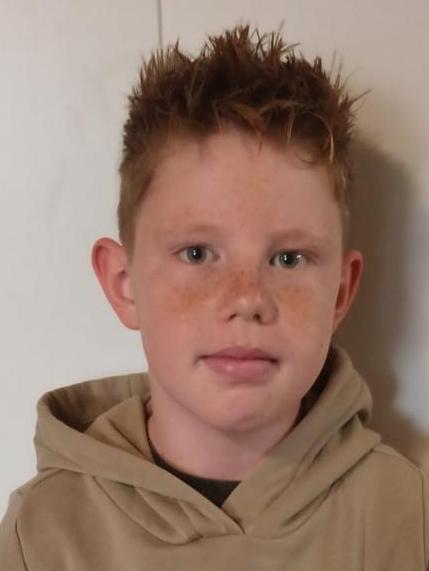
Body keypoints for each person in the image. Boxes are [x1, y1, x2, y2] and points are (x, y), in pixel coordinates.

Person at [1, 24, 428, 570]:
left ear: (341, 292)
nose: (246, 299)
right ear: (124, 284)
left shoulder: (405, 515)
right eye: (198, 254)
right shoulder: (43, 533)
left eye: (288, 259)